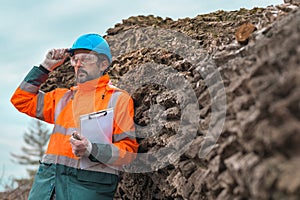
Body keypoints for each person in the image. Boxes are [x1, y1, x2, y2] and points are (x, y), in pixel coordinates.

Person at [11, 33, 139, 199]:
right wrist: (45, 67)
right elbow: (21, 100)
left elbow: (128, 153)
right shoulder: (64, 98)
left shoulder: (118, 99)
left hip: (86, 189)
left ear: (103, 64)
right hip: (47, 186)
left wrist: (92, 149)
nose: (78, 64)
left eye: (86, 59)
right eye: (75, 59)